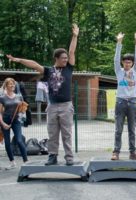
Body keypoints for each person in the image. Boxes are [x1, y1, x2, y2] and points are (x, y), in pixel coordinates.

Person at [6, 24, 79, 166]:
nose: (65, 59)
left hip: (66, 106)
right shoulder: (48, 70)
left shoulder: (69, 68)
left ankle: (69, 158)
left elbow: (71, 51)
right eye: (63, 58)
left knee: (67, 134)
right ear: (56, 58)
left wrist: (75, 36)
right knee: (52, 133)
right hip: (52, 106)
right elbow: (34, 64)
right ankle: (52, 156)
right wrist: (19, 60)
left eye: (66, 58)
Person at [111, 32, 136, 161]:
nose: (128, 64)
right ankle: (116, 152)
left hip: (133, 102)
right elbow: (115, 59)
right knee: (118, 129)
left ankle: (132, 153)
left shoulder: (135, 71)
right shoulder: (119, 71)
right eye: (126, 62)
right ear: (123, 63)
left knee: (132, 130)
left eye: (130, 62)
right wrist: (119, 42)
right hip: (121, 102)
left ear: (132, 63)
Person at [0, 78, 28, 169]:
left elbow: (21, 110)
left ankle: (26, 161)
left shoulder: (18, 96)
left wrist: (22, 111)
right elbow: (0, 112)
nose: (12, 85)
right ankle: (12, 162)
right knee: (7, 143)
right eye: (10, 84)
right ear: (6, 86)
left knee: (19, 140)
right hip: (5, 121)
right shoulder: (2, 98)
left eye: (13, 84)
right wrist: (3, 123)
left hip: (16, 121)